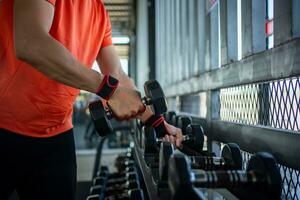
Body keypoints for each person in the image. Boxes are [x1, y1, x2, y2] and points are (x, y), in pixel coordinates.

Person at [0, 0, 183, 199]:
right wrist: (109, 91)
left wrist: (157, 123)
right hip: (4, 126)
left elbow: (117, 75)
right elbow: (31, 43)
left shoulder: (98, 12)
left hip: (55, 136)